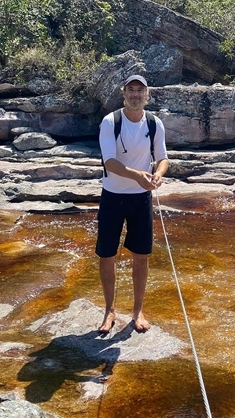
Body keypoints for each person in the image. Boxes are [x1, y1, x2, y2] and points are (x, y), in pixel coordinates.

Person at [96, 74, 169, 333]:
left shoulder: (154, 123)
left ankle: (137, 312)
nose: (136, 94)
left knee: (141, 255)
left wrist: (157, 174)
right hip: (113, 195)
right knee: (107, 255)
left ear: (147, 95)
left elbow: (162, 158)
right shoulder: (111, 122)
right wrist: (137, 175)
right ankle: (109, 311)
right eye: (131, 90)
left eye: (140, 90)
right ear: (123, 93)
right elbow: (110, 162)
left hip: (141, 198)